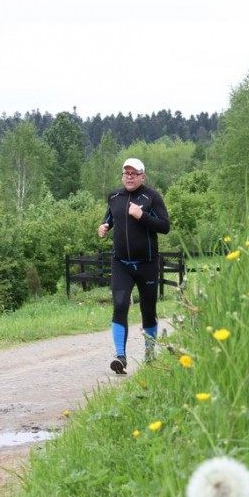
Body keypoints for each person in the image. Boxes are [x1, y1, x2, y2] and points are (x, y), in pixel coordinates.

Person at [97, 158, 171, 374]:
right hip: (121, 263)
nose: (129, 176)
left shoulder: (152, 197)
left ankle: (149, 356)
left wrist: (142, 216)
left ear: (142, 176)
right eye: (126, 173)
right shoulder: (114, 197)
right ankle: (120, 356)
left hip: (147, 264)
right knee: (120, 305)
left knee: (148, 311)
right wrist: (103, 228)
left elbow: (165, 226)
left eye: (134, 173)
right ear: (122, 176)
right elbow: (109, 219)